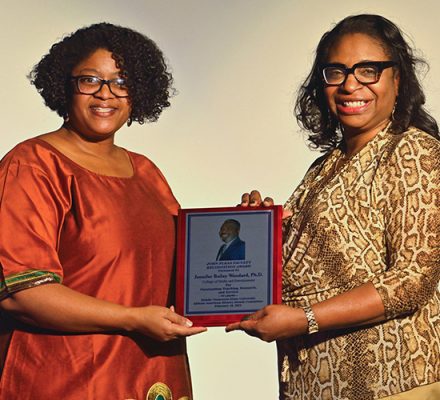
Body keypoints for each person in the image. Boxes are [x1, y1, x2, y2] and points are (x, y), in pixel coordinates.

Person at [226, 14, 440, 400]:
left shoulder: (413, 150)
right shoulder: (324, 166)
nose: (350, 84)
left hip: (391, 379)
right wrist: (259, 228)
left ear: (398, 79)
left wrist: (303, 319)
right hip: (316, 381)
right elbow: (308, 269)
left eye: (368, 70)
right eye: (336, 71)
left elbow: (412, 280)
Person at [0, 23, 206, 400]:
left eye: (121, 82)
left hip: (154, 372)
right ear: (65, 85)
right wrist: (133, 318)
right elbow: (22, 294)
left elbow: (188, 272)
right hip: (69, 379)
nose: (105, 93)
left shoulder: (145, 172)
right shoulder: (33, 165)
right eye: (90, 80)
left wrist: (253, 225)